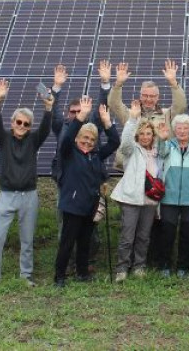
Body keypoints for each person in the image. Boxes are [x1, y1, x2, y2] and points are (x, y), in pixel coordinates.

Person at [0, 75, 55, 285]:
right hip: (7, 195)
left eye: (26, 124)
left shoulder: (33, 140)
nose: (22, 126)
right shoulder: (3, 139)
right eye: (18, 122)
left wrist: (48, 109)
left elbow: (45, 129)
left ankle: (26, 276)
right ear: (12, 122)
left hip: (29, 195)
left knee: (27, 240)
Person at [54, 97, 120, 287]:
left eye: (91, 139)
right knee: (68, 242)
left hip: (90, 205)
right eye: (84, 138)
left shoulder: (96, 156)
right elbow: (66, 137)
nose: (88, 142)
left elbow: (114, 142)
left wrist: (107, 123)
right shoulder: (68, 153)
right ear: (77, 139)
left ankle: (82, 273)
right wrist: (81, 116)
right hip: (72, 205)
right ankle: (59, 276)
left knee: (85, 241)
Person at [110, 100, 163, 283]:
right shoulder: (131, 150)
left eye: (149, 133)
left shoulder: (157, 153)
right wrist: (132, 120)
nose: (145, 137)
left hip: (149, 201)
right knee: (127, 235)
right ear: (138, 135)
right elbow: (125, 142)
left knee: (143, 236)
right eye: (142, 134)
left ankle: (139, 266)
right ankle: (122, 268)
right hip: (131, 199)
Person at [156, 106, 189, 277]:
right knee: (167, 233)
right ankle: (164, 265)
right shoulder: (168, 145)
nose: (182, 131)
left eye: (185, 128)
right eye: (178, 128)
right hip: (169, 198)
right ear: (174, 130)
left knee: (187, 234)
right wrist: (162, 139)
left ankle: (183, 267)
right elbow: (161, 152)